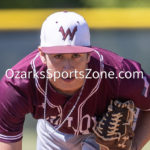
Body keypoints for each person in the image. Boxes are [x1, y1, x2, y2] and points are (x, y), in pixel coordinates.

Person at [0, 11, 150, 150]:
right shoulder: (17, 85)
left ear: (89, 55)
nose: (68, 67)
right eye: (58, 56)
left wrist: (135, 145)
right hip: (53, 132)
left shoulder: (120, 74)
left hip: (99, 135)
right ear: (42, 55)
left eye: (76, 56)